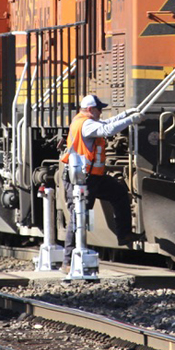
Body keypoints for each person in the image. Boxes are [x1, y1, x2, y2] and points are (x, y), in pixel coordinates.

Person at [61, 94, 144, 263]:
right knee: (78, 216)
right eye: (99, 109)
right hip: (81, 180)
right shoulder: (84, 124)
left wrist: (126, 114)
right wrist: (131, 120)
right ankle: (68, 261)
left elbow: (105, 123)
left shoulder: (87, 121)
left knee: (119, 193)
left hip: (93, 178)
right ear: (90, 109)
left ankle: (124, 234)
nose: (101, 112)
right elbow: (107, 130)